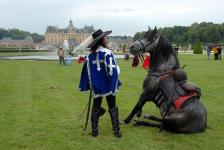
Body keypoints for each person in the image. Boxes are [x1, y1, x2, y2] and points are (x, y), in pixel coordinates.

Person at [79, 29, 122, 138]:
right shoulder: (107, 53)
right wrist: (114, 83)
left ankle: (94, 131)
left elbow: (88, 73)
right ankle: (116, 131)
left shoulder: (90, 56)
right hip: (108, 85)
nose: (107, 38)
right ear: (101, 40)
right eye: (105, 37)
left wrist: (91, 84)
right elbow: (112, 70)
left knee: (96, 107)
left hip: (97, 87)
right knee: (112, 106)